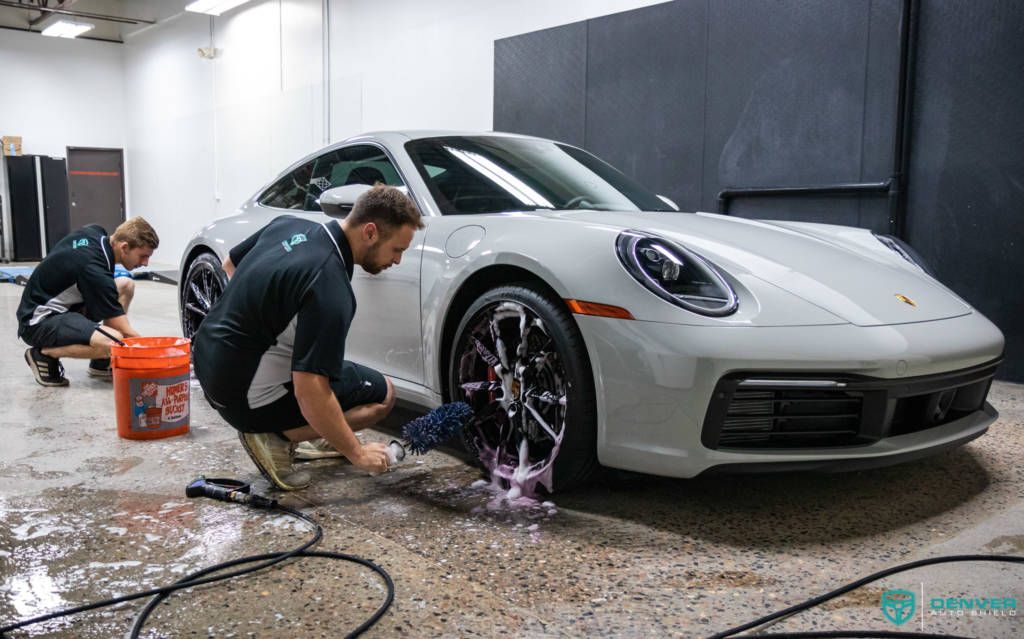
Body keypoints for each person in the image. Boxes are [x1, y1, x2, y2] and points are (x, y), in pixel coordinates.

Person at [192, 185, 424, 490]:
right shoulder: (330, 287)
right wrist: (357, 453)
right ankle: (272, 438)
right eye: (397, 250)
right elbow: (310, 391)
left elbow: (230, 265)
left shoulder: (288, 225)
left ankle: (319, 430)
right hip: (242, 398)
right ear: (370, 232)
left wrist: (262, 326)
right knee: (383, 397)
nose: (397, 261)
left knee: (325, 369)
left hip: (205, 361)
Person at [18, 217, 159, 387]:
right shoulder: (94, 269)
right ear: (124, 247)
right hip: (38, 321)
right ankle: (46, 354)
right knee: (115, 342)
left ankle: (101, 363)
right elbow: (124, 331)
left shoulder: (95, 232)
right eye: (143, 256)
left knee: (125, 285)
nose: (145, 263)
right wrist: (156, 352)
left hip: (61, 306)